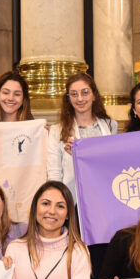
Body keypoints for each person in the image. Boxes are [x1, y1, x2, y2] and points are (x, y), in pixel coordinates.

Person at [48, 73, 118, 202]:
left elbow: (114, 163)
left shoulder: (111, 125)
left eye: (85, 92)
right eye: (74, 94)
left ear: (94, 95)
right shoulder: (57, 131)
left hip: (106, 195)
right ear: (68, 98)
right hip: (73, 199)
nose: (80, 99)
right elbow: (54, 173)